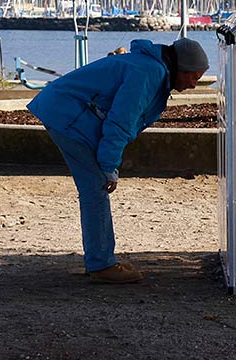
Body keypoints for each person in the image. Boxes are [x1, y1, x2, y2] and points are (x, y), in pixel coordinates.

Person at [27, 36, 209, 284]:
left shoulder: (149, 67)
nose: (194, 85)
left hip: (62, 110)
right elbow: (121, 122)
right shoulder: (149, 72)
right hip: (66, 116)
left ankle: (100, 260)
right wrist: (109, 166)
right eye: (194, 77)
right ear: (182, 67)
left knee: (95, 188)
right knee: (97, 187)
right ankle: (102, 265)